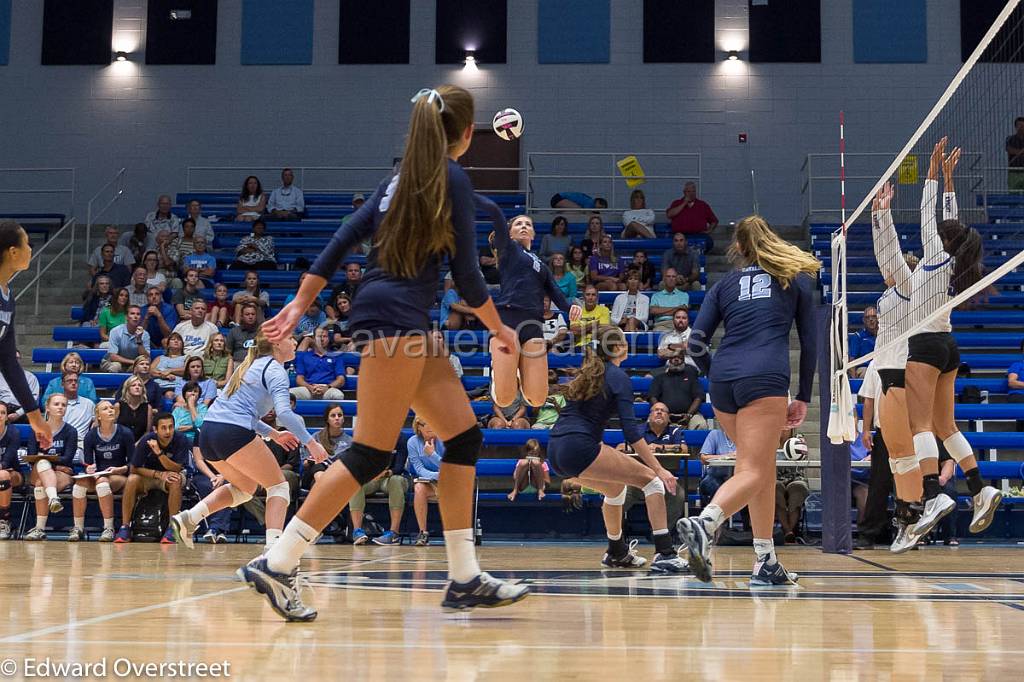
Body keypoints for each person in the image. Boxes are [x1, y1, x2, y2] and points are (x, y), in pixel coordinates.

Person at [255, 84, 527, 618]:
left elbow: (338, 244)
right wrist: (502, 330)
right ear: (468, 134)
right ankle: (279, 562)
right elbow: (470, 278)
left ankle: (464, 576)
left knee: (464, 438)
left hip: (401, 323)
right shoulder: (453, 177)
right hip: (394, 322)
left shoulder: (393, 183)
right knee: (370, 453)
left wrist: (298, 304)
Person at [676, 214, 818, 586]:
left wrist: (716, 372)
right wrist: (803, 395)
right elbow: (811, 342)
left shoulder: (724, 285)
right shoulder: (795, 278)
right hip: (764, 376)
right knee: (755, 469)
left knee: (759, 469)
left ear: (739, 249)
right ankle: (705, 524)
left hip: (723, 379)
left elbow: (695, 342)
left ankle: (766, 559)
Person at [905, 139, 1001, 543]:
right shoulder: (959, 266)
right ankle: (980, 488)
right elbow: (948, 221)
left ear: (940, 240)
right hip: (948, 346)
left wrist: (930, 173)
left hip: (926, 346)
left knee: (921, 425)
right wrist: (947, 178)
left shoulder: (933, 256)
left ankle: (933, 494)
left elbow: (932, 216)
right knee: (946, 425)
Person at [170, 333, 328, 555]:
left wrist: (273, 433)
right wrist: (311, 443)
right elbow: (284, 412)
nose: (294, 342)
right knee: (279, 486)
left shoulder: (249, 366)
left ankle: (189, 518)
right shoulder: (276, 370)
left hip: (209, 433)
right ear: (275, 344)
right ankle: (273, 551)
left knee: (246, 488)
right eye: (290, 338)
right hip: (232, 432)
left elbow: (246, 414)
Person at [546, 326, 685, 572]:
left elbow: (582, 416)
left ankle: (617, 552)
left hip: (556, 448)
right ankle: (665, 552)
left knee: (615, 488)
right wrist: (659, 468)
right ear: (620, 348)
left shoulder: (588, 374)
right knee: (652, 482)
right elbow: (631, 433)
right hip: (579, 446)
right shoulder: (619, 377)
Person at [869, 183, 927, 552]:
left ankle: (922, 505)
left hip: (900, 371)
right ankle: (909, 516)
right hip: (889, 370)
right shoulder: (893, 291)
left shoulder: (909, 288)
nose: (892, 269)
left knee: (904, 452)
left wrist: (883, 216)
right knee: (897, 455)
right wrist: (878, 217)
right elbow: (885, 260)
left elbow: (889, 258)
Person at [486, 212, 581, 411]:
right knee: (504, 400)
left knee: (537, 399)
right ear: (509, 233)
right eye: (518, 224)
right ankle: (500, 373)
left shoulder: (542, 265)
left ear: (534, 233)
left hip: (533, 325)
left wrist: (570, 307)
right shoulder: (509, 249)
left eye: (528, 224)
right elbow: (498, 232)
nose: (523, 226)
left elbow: (555, 293)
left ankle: (518, 370)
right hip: (507, 321)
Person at [115, 412, 190, 543]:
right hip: (150, 476)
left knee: (176, 480)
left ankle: (172, 528)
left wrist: (159, 454)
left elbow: (177, 468)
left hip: (172, 475)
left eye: (171, 427)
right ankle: (125, 527)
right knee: (132, 479)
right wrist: (158, 474)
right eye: (163, 428)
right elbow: (134, 468)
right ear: (155, 429)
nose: (168, 431)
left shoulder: (181, 439)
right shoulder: (146, 440)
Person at [618, 402, 689, 532]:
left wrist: (659, 447)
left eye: (663, 411)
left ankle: (661, 533)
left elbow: (684, 449)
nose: (659, 412)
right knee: (619, 495)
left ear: (668, 417)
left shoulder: (675, 431)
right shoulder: (637, 430)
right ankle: (616, 532)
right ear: (650, 416)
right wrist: (642, 448)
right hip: (637, 481)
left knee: (679, 495)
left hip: (666, 482)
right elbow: (621, 448)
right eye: (655, 410)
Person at [73, 401, 134, 542]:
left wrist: (121, 469)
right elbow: (88, 462)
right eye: (105, 409)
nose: (110, 410)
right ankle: (78, 528)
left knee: (102, 483)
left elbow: (134, 463)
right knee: (79, 484)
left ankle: (108, 528)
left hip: (121, 476)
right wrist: (88, 468)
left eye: (112, 408)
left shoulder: (125, 432)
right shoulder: (91, 435)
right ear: (98, 416)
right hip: (99, 475)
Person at [22, 394, 75, 540]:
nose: (60, 407)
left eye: (63, 405)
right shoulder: (37, 430)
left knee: (40, 485)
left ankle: (39, 528)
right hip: (43, 470)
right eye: (56, 404)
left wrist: (45, 459)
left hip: (64, 474)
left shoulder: (71, 431)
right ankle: (53, 499)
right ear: (47, 407)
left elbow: (68, 458)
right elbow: (32, 456)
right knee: (41, 463)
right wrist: (55, 466)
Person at [348, 434, 409, 546]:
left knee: (396, 480)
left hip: (391, 477)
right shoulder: (370, 437)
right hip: (373, 478)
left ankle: (394, 533)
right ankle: (357, 532)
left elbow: (399, 467)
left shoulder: (401, 439)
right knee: (355, 483)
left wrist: (385, 473)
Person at [406, 416, 444, 546]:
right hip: (430, 481)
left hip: (451, 482)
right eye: (424, 424)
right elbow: (418, 468)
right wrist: (437, 475)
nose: (429, 426)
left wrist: (432, 455)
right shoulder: (412, 442)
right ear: (418, 427)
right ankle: (423, 532)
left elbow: (452, 468)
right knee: (419, 488)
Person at [301, 404, 352, 493]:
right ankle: (324, 483)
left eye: (340, 415)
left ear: (343, 419)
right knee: (318, 465)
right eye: (333, 415)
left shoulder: (350, 441)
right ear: (327, 419)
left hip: (338, 476)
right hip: (314, 474)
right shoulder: (315, 438)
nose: (337, 418)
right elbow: (305, 463)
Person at [649, 354, 707, 429]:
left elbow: (698, 398)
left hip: (690, 415)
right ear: (669, 360)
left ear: (684, 360)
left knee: (701, 424)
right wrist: (662, 413)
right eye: (673, 357)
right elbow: (653, 397)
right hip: (664, 414)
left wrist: (689, 415)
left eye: (679, 357)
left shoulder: (692, 378)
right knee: (652, 422)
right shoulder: (659, 378)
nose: (676, 359)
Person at [289, 326, 346, 401]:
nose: (322, 339)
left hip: (328, 388)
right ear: (313, 339)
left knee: (338, 395)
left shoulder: (336, 356)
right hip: (308, 388)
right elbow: (299, 379)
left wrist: (327, 387)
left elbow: (341, 379)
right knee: (288, 394)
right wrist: (310, 387)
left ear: (328, 339)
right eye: (319, 336)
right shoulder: (305, 356)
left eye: (325, 336)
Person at [775, 432, 810, 545]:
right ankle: (788, 531)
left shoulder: (799, 438)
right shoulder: (770, 435)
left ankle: (789, 532)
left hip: (796, 476)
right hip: (775, 476)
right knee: (775, 489)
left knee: (797, 489)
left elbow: (804, 459)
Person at [666, 181, 718, 253]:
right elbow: (669, 214)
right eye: (689, 191)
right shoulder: (676, 203)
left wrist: (709, 230)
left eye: (693, 191)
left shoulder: (703, 205)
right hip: (680, 235)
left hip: (698, 234)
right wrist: (684, 203)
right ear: (684, 192)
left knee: (708, 242)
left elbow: (714, 221)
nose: (691, 194)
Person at [59, 373, 96, 466]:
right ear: (62, 384)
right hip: (60, 442)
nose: (73, 383)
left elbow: (96, 423)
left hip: (81, 443)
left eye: (76, 381)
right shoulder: (56, 404)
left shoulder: (89, 404)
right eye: (69, 381)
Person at [100, 305, 151, 373]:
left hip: (132, 364)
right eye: (132, 313)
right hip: (113, 362)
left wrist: (139, 340)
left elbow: (145, 357)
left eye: (138, 314)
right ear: (126, 317)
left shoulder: (145, 334)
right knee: (116, 366)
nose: (135, 316)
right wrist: (133, 362)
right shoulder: (116, 331)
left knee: (140, 367)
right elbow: (113, 356)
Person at [0, 403, 23, 539]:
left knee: (2, 475)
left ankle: (4, 520)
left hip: (14, 474)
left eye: (3, 413)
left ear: (6, 417)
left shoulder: (13, 432)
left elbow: (6, 461)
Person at [697, 427, 736, 507]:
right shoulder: (714, 434)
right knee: (711, 485)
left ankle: (746, 519)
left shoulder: (745, 436)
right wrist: (726, 456)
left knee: (747, 487)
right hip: (716, 475)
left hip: (738, 476)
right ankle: (714, 517)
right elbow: (704, 458)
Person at [0, 349, 39, 423]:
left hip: (23, 410)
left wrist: (18, 413)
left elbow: (34, 400)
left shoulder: (30, 377)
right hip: (2, 408)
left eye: (17, 358)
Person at [115, 375, 152, 441]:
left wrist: (137, 445)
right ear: (127, 389)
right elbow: (112, 428)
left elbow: (147, 432)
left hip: (140, 444)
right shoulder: (118, 406)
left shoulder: (148, 407)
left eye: (140, 385)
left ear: (143, 389)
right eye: (133, 385)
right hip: (120, 443)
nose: (137, 387)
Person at [848, 307, 878, 378]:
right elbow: (852, 360)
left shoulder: (883, 336)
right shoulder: (857, 337)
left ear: (878, 318)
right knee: (870, 374)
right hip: (865, 369)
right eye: (868, 317)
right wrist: (854, 382)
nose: (871, 319)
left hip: (879, 368)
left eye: (874, 316)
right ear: (864, 320)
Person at [1006, 116, 1024, 192]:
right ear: (1015, 127)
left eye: (1023, 125)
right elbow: (1010, 150)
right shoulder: (1010, 139)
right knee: (1013, 194)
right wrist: (1021, 152)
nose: (1021, 127)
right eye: (1019, 125)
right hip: (1013, 172)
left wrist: (1017, 152)